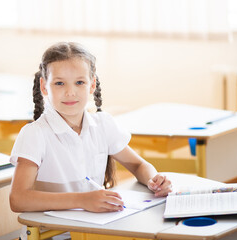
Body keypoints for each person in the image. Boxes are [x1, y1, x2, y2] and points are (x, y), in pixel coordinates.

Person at [9, 42, 172, 214]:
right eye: (59, 83)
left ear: (92, 85)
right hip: (53, 233)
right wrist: (82, 200)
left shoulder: (103, 124)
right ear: (44, 87)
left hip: (97, 225)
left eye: (79, 82)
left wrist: (154, 181)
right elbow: (18, 199)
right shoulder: (35, 134)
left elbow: (138, 165)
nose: (70, 92)